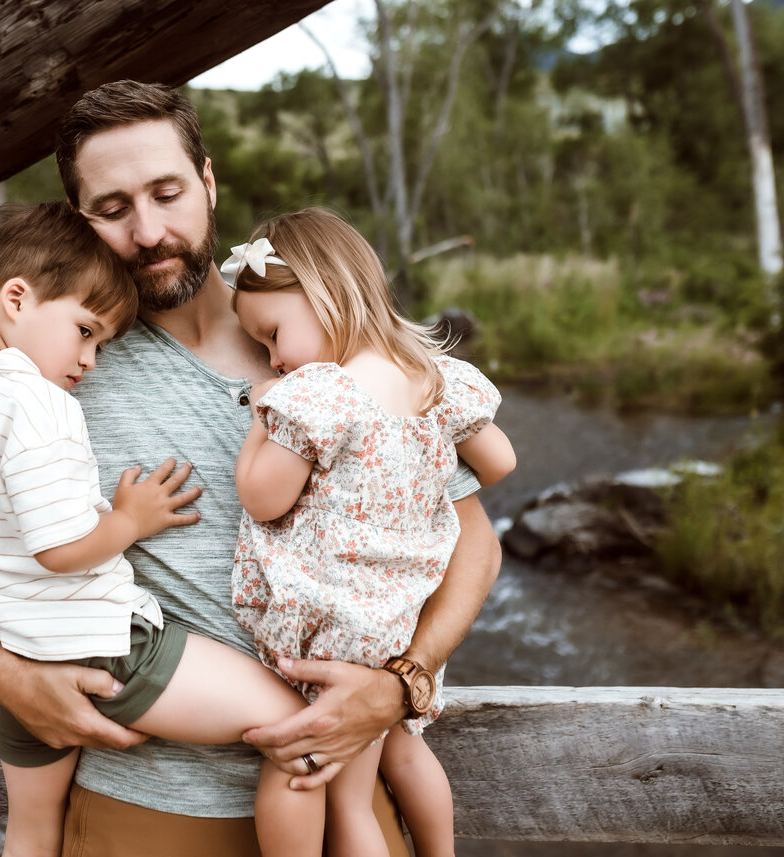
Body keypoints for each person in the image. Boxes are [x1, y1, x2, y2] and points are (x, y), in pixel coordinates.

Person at [0, 80, 503, 857]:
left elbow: (473, 542)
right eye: (112, 208)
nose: (149, 231)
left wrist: (400, 683)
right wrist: (4, 671)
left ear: (209, 184)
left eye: (167, 192)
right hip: (146, 810)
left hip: (340, 794)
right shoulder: (59, 368)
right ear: (80, 219)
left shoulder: (324, 340)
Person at [0, 201, 323, 857]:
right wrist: (128, 520)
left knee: (31, 832)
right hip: (100, 644)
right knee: (297, 723)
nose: (90, 359)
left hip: (14, 650)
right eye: (86, 331)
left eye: (99, 342)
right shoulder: (41, 401)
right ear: (16, 298)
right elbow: (60, 550)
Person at [227, 207, 516, 857]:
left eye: (273, 334)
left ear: (324, 291)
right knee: (404, 752)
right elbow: (501, 463)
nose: (275, 357)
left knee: (309, 777)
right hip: (402, 622)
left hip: (337, 623)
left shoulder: (320, 393)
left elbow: (265, 499)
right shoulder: (435, 379)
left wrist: (260, 416)